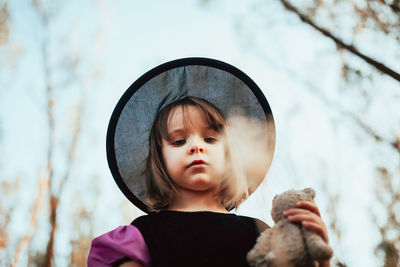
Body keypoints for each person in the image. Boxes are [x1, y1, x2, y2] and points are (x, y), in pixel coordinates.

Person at [87, 58, 331, 267]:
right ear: (159, 159)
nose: (196, 146)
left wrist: (314, 259)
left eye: (210, 138)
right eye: (179, 141)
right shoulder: (140, 235)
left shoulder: (260, 232)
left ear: (229, 154)